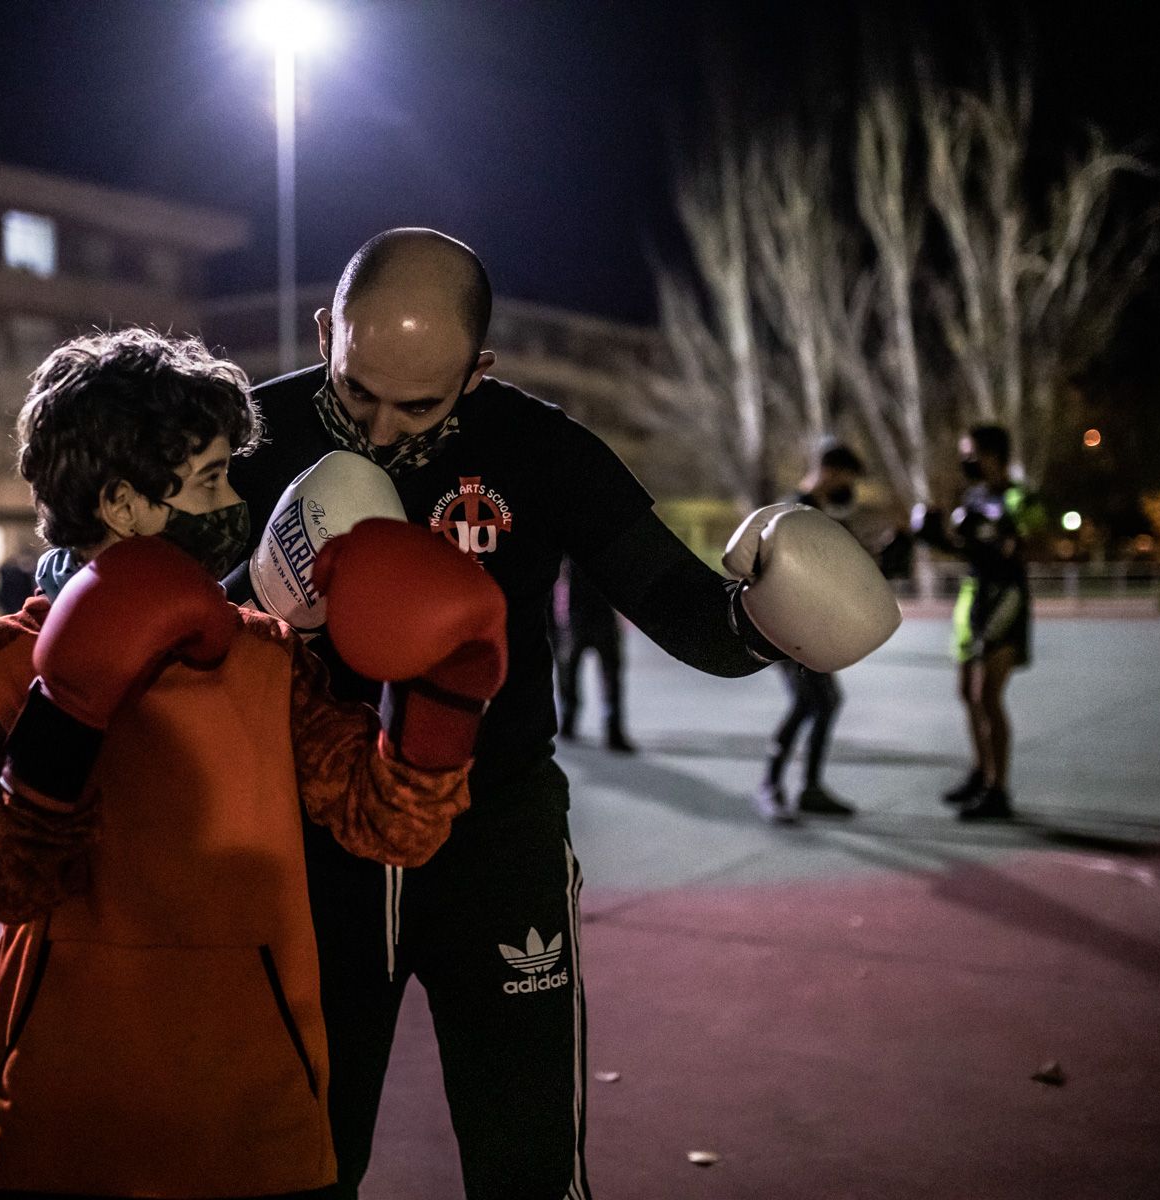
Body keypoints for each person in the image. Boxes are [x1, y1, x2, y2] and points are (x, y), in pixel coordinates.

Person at [227, 228, 898, 1199]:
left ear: (479, 369)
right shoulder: (252, 434)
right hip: (310, 844)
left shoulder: (540, 449)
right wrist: (254, 585)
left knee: (528, 1168)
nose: (377, 429)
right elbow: (132, 599)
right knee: (302, 1167)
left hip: (494, 836)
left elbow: (687, 614)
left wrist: (762, 617)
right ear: (327, 328)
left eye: (417, 403)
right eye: (357, 389)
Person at [0, 328, 508, 1199]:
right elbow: (5, 879)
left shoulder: (268, 659)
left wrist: (447, 695)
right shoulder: (6, 663)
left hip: (256, 1124)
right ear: (124, 504)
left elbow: (393, 824)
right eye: (210, 480)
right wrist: (69, 709)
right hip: (66, 1121)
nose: (236, 499)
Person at [913, 425, 1040, 822]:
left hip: (1005, 595)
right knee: (966, 691)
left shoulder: (1019, 497)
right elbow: (969, 548)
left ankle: (998, 789)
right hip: (974, 596)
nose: (965, 461)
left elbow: (1031, 544)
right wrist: (936, 539)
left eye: (970, 453)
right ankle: (981, 772)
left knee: (988, 695)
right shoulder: (973, 496)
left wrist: (1000, 535)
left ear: (993, 455)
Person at [752, 441, 868, 823]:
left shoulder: (817, 512)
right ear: (830, 472)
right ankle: (772, 786)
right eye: (846, 479)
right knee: (810, 701)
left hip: (809, 627)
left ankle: (809, 788)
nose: (847, 488)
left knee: (824, 701)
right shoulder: (793, 511)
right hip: (786, 628)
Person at [553, 557, 635, 753]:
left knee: (569, 671)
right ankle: (610, 725)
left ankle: (570, 720)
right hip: (594, 616)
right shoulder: (606, 546)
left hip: (578, 617)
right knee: (608, 674)